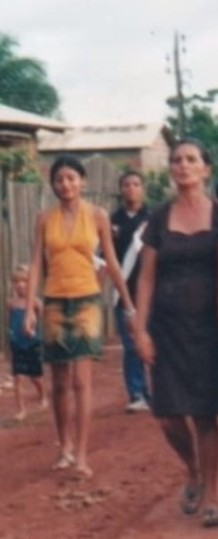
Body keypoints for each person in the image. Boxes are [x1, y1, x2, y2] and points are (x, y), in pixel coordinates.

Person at [134, 140, 218, 528]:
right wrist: (140, 329)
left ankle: (212, 494)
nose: (183, 165)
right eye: (176, 160)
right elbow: (146, 278)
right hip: (167, 329)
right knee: (167, 414)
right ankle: (192, 470)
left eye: (191, 159)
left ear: (206, 169)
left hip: (209, 330)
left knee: (206, 414)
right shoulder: (159, 218)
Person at [23, 155, 137, 480]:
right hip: (55, 301)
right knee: (59, 382)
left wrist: (128, 305)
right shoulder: (45, 219)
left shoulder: (97, 215)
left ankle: (82, 455)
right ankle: (65, 448)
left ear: (82, 182)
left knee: (81, 382)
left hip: (87, 300)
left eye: (71, 178)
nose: (65, 185)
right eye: (59, 179)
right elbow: (36, 263)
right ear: (53, 184)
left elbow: (111, 261)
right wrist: (30, 306)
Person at [111, 171, 151, 413]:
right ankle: (136, 392)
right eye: (126, 184)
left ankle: (159, 391)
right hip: (123, 291)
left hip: (151, 290)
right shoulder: (111, 221)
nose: (131, 188)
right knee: (131, 344)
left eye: (136, 184)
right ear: (121, 189)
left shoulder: (153, 218)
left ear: (143, 188)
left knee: (155, 340)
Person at [7, 265, 47, 421]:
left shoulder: (36, 303)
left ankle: (43, 396)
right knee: (18, 377)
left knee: (35, 377)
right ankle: (21, 410)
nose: (20, 285)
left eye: (24, 281)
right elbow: (11, 323)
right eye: (17, 282)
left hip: (32, 343)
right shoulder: (11, 304)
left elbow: (42, 322)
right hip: (17, 344)